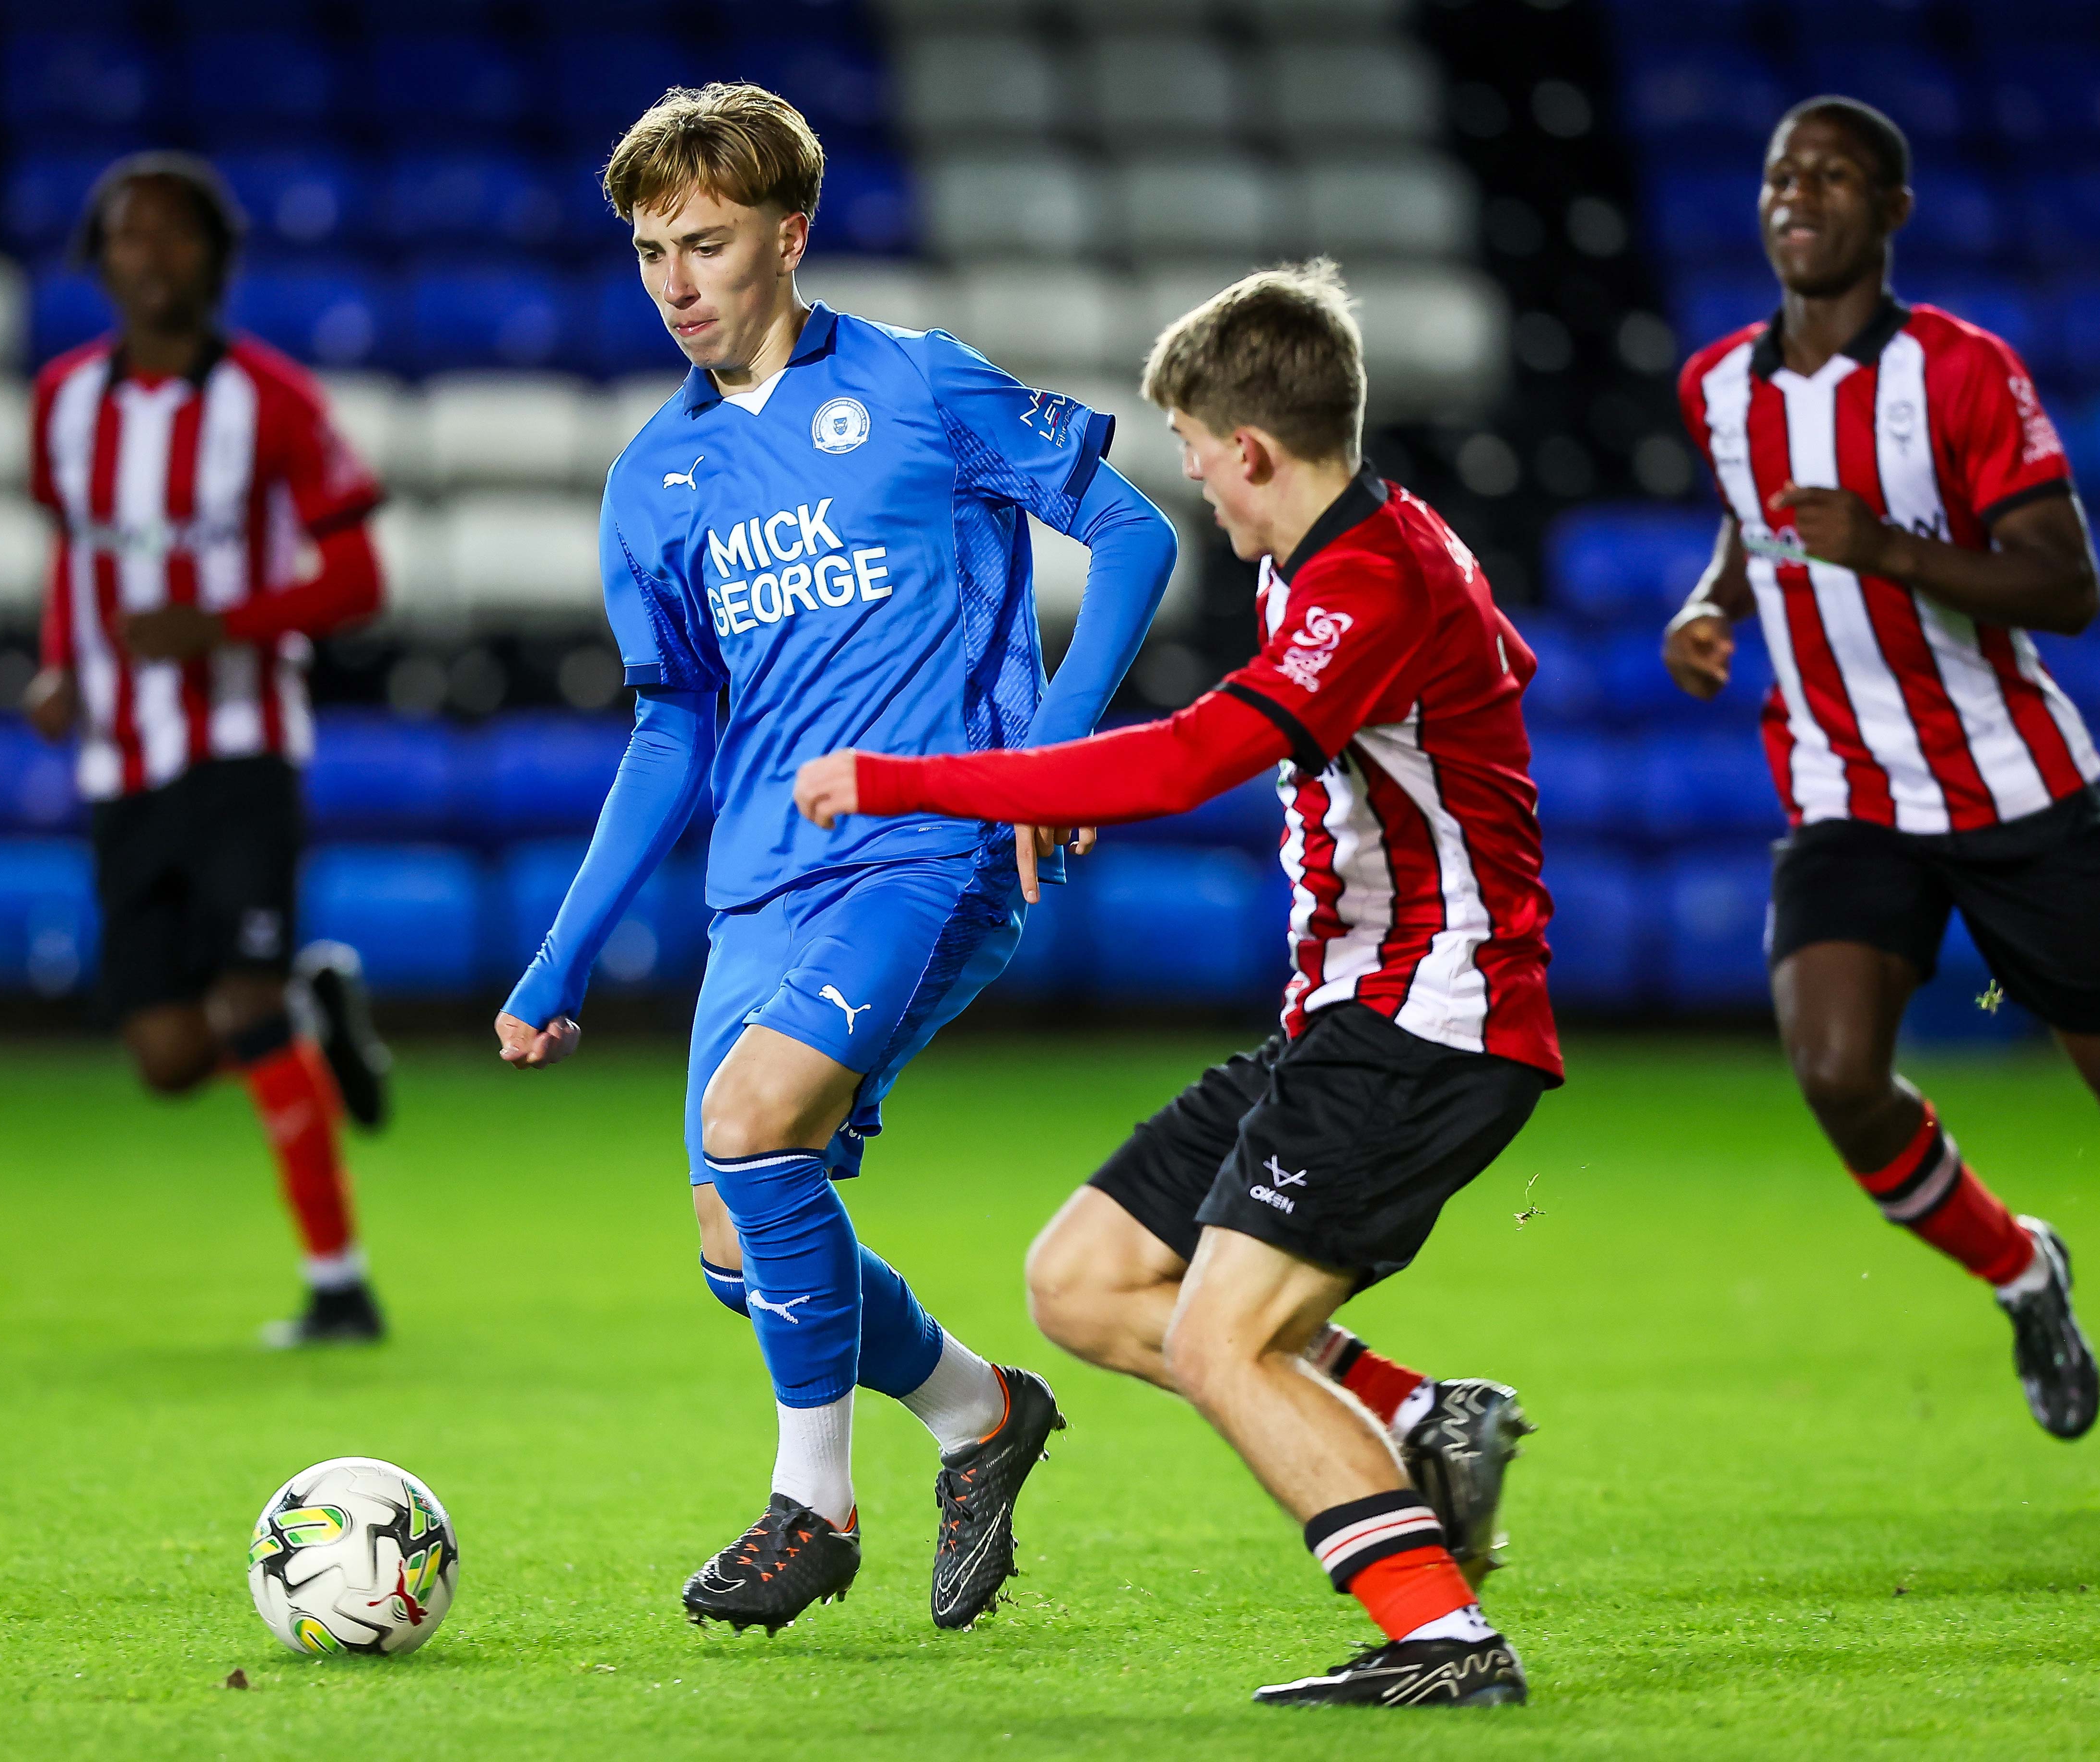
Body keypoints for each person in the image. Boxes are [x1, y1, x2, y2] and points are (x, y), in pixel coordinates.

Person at [796, 261, 1563, 1708]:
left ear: (1254, 449)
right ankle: (1417, 1418)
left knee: (1221, 1340)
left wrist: (905, 780)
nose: (1200, 484)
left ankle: (1442, 1639)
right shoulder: (1363, 552)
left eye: (1202, 456)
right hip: (1346, 1015)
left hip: (1426, 1021)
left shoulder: (1370, 572)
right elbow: (1475, 671)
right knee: (1081, 1282)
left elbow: (1196, 755)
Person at [490, 84, 1178, 1634]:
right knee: (739, 1236)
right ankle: (978, 1412)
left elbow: (1132, 536)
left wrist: (1044, 771)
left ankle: (812, 1501)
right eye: (652, 251)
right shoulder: (651, 483)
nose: (677, 283)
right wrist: (560, 954)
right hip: (760, 883)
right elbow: (671, 733)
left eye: (709, 245)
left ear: (787, 235)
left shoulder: (921, 386)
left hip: (928, 848)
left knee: (749, 1125)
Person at [1663, 97, 2100, 1438]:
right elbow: (1758, 531)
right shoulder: (1717, 386)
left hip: (2015, 786)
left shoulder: (1962, 374)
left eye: (1835, 175)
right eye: (1782, 173)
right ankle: (2022, 1269)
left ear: (1891, 213)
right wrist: (1713, 607)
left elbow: (2066, 588)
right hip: (1847, 791)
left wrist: (1888, 549)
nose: (1799, 193)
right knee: (1838, 1071)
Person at [22, 153, 397, 1347]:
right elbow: (75, 560)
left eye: (177, 235)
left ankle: (339, 1284)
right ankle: (305, 998)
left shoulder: (273, 401)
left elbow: (358, 577)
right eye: (131, 235)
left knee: (234, 995)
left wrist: (221, 625)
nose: (153, 255)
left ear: (215, 258)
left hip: (242, 747)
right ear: (102, 259)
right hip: (120, 761)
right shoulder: (63, 403)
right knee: (171, 1054)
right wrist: (58, 666)